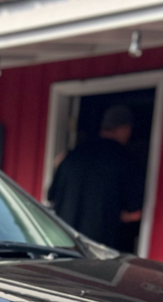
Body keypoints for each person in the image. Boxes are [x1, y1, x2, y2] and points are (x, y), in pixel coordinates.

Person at [47, 104, 144, 252]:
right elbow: (134, 214)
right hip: (102, 250)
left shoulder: (72, 156)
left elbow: (51, 197)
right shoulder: (127, 161)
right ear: (126, 129)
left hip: (64, 244)